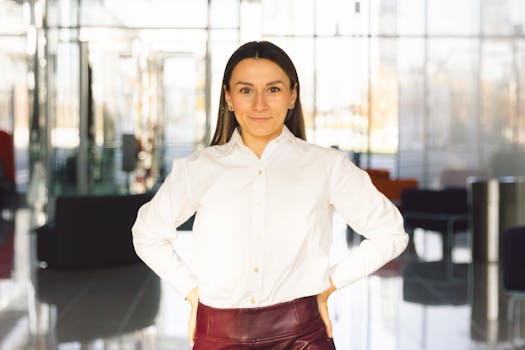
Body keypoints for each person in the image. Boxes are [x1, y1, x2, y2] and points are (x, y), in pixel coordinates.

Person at [132, 41, 408, 349]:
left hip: (302, 335)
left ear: (292, 95)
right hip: (218, 333)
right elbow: (147, 233)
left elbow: (390, 233)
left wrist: (328, 286)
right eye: (246, 90)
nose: (259, 104)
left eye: (273, 89)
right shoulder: (197, 168)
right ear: (228, 97)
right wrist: (192, 290)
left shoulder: (327, 166)